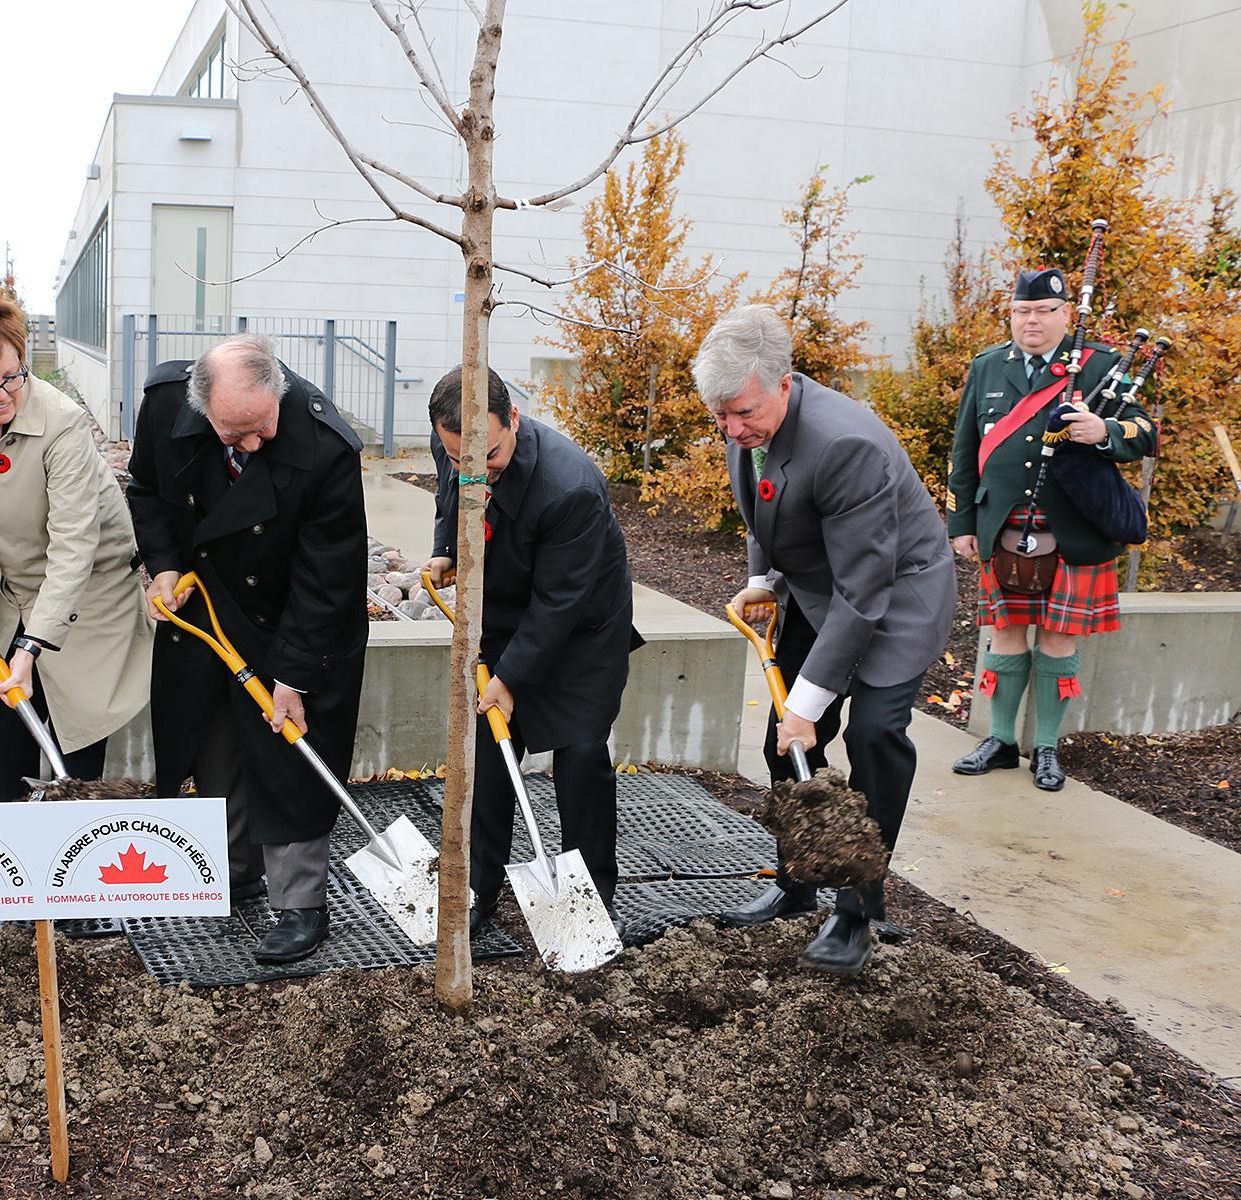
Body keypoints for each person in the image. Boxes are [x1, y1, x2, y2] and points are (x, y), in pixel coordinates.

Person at [700, 305, 955, 976]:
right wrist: (761, 580)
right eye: (721, 417)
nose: (732, 429)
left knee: (872, 734)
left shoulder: (847, 444)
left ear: (784, 383)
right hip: (820, 589)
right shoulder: (747, 419)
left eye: (742, 413)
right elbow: (764, 501)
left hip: (897, 593)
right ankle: (797, 882)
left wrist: (809, 705)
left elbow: (866, 591)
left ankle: (856, 911)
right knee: (781, 742)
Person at [127, 334, 368, 964]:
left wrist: (292, 676)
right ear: (203, 408)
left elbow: (329, 579)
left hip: (292, 613)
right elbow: (147, 493)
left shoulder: (324, 448)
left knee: (290, 756)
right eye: (237, 435)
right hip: (205, 601)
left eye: (264, 427)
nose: (256, 444)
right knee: (212, 743)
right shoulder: (162, 407)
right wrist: (162, 566)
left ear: (277, 394)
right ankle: (229, 873)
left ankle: (299, 903)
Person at [423, 366, 640, 934]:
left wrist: (511, 679)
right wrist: (446, 546)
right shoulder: (458, 438)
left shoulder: (570, 488)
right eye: (458, 456)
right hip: (504, 611)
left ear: (513, 418)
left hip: (581, 631)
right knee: (486, 756)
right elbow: (451, 490)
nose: (473, 468)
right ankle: (479, 886)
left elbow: (559, 604)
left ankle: (590, 899)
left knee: (580, 757)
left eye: (489, 455)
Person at [0, 290, 150, 794]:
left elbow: (74, 546)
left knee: (78, 735)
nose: (5, 395)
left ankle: (78, 848)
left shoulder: (62, 423)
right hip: (9, 589)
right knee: (7, 725)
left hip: (89, 589)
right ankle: (16, 852)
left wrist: (30, 648)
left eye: (14, 375)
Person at [947, 268, 1156, 791]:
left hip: (1072, 528)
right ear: (1012, 314)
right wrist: (962, 522)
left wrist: (1103, 430)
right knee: (1005, 634)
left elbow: (1146, 433)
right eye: (1022, 311)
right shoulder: (989, 367)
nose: (1031, 320)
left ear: (1065, 314)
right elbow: (965, 451)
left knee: (1060, 640)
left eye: (1043, 310)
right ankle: (999, 741)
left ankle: (1045, 747)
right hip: (1004, 524)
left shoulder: (1102, 366)